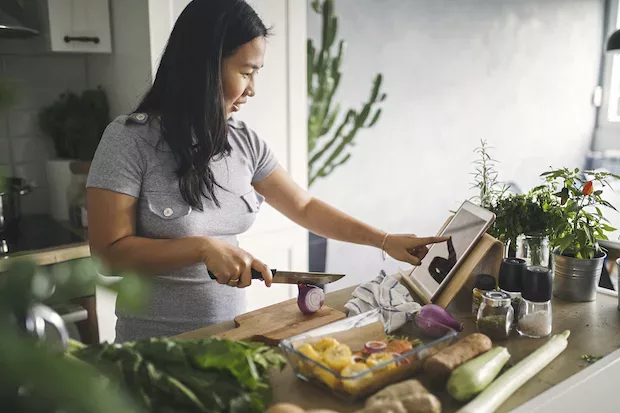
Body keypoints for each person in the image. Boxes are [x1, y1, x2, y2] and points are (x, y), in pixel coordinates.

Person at [86, 0, 448, 342]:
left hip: (231, 338)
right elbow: (108, 254)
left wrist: (385, 241)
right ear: (203, 67)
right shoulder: (128, 139)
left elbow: (304, 207)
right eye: (246, 72)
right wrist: (200, 247)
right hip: (154, 349)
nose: (252, 90)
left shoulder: (245, 142)